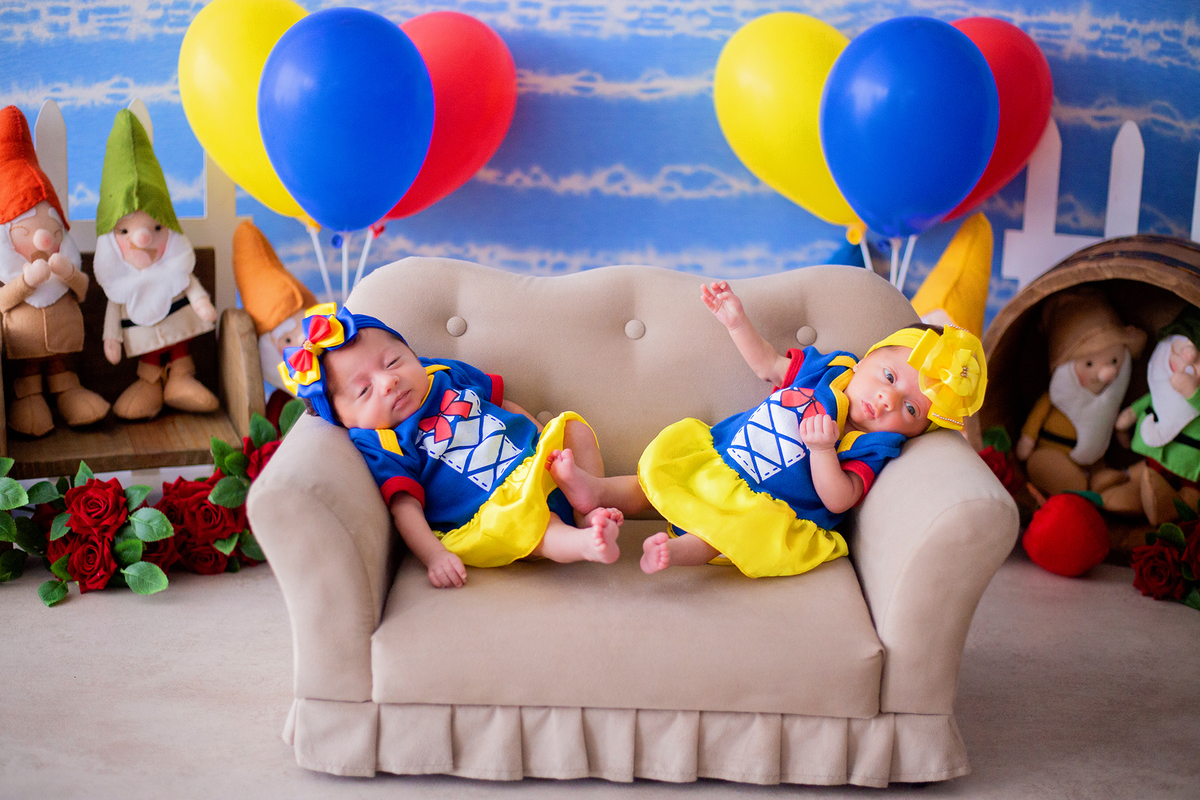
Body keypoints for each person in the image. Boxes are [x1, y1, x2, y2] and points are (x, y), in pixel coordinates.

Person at [547, 280, 987, 578]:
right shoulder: (830, 369)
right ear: (869, 357)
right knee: (655, 479)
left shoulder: (875, 444)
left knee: (732, 529)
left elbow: (840, 497)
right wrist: (736, 321)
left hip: (765, 504)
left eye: (910, 409)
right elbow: (769, 366)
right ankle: (596, 492)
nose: (888, 401)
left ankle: (679, 551)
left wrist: (823, 451)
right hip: (724, 458)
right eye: (889, 378)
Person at [279, 303, 622, 588]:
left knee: (575, 429)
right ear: (344, 419)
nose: (388, 382)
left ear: (411, 353)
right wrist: (434, 555)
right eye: (364, 391)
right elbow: (405, 508)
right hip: (494, 505)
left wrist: (542, 442)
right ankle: (583, 544)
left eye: (393, 362)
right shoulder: (381, 440)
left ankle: (585, 507)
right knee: (534, 525)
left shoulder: (441, 373)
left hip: (542, 466)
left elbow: (506, 406)